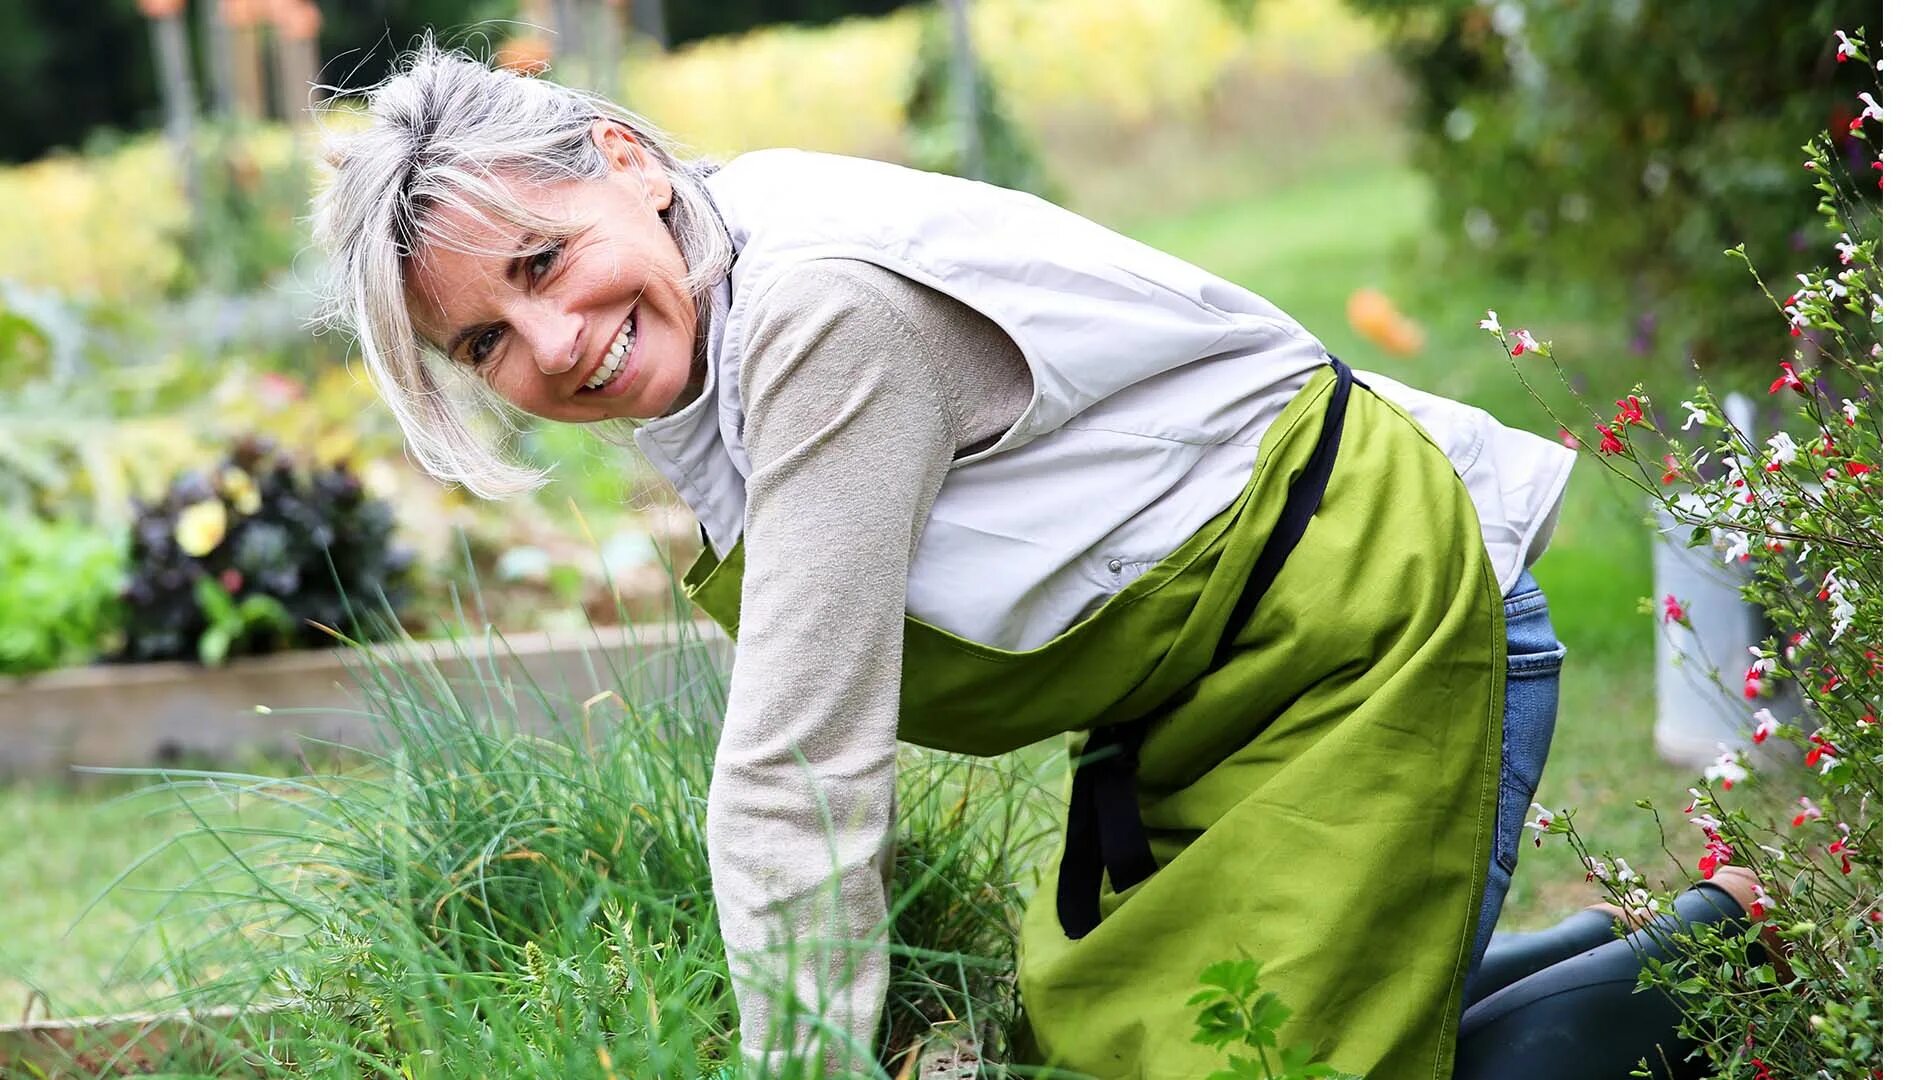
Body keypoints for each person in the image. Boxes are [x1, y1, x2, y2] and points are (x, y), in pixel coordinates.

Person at [315, 41, 1752, 1079]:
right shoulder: (719, 297)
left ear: (626, 165)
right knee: (1144, 1044)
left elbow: (799, 767)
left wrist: (798, 1066)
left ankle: (1728, 987)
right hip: (1223, 674)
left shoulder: (815, 317)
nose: (552, 344)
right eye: (484, 343)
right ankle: (1701, 935)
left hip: (1377, 620)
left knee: (1274, 1064)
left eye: (543, 264)